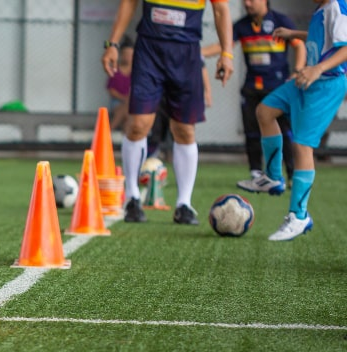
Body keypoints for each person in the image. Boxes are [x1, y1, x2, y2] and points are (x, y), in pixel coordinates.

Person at [103, 0, 234, 225]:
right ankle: (132, 198)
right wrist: (113, 43)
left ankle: (184, 204)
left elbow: (221, 10)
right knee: (139, 125)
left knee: (184, 130)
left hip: (187, 54)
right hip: (149, 52)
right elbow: (129, 3)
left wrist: (227, 54)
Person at [241, 0, 347, 241]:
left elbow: (345, 46)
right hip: (308, 79)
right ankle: (273, 177)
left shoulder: (338, 6)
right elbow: (325, 38)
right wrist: (293, 34)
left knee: (301, 145)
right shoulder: (322, 8)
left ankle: (299, 216)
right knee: (265, 111)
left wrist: (317, 69)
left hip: (326, 84)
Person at [204, 0, 304, 189]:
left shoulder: (280, 21)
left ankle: (292, 174)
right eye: (244, 0)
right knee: (251, 133)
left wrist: (298, 70)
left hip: (278, 88)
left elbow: (299, 46)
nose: (247, 4)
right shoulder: (241, 25)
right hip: (251, 87)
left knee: (286, 132)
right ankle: (257, 174)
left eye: (251, 0)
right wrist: (197, 52)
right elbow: (223, 46)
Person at [107, 36, 134, 131]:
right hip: (117, 101)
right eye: (125, 54)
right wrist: (124, 98)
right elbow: (111, 90)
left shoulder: (136, 71)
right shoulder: (115, 70)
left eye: (130, 54)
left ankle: (108, 131)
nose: (128, 57)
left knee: (128, 112)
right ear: (121, 55)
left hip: (132, 102)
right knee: (125, 110)